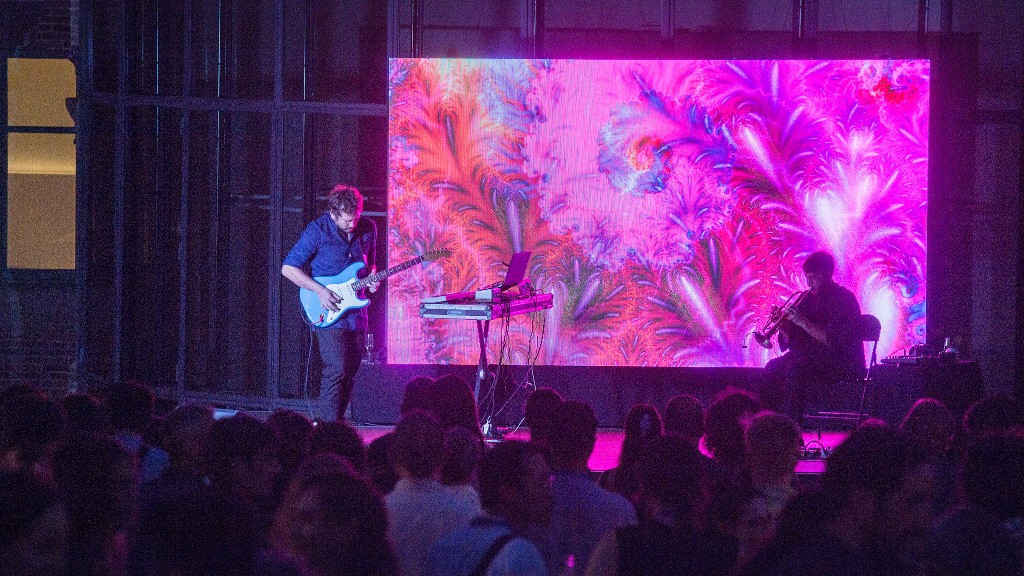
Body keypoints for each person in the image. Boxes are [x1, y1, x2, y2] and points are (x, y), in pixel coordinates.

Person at [282, 184, 379, 422]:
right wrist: (320, 291)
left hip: (356, 312)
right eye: (346, 221)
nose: (352, 225)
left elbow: (371, 263)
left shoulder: (368, 228)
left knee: (350, 371)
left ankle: (336, 422)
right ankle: (326, 428)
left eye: (355, 218)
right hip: (327, 308)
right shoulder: (317, 231)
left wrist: (372, 279)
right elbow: (288, 268)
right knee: (336, 368)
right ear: (333, 213)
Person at [760, 251, 863, 422]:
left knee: (795, 370)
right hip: (807, 358)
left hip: (839, 361)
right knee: (772, 368)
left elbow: (832, 340)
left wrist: (800, 321)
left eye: (814, 277)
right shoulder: (805, 298)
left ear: (828, 275)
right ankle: (771, 426)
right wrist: (784, 327)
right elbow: (793, 342)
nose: (809, 283)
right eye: (807, 277)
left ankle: (793, 432)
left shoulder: (845, 299)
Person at [428, 441, 552, 576]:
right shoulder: (521, 555)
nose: (550, 492)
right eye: (541, 481)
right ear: (508, 492)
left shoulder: (442, 548)